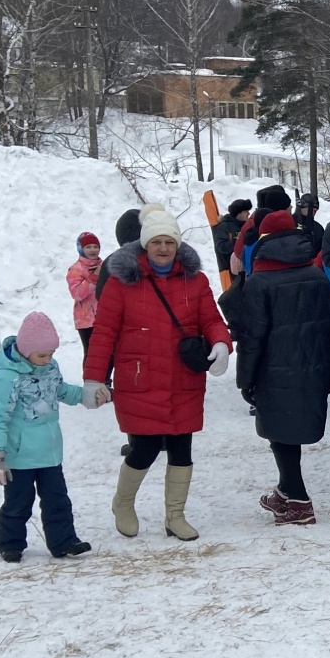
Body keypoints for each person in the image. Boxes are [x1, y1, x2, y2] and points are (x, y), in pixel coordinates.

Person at [84, 205, 231, 542]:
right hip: (140, 378)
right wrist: (94, 378)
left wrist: (221, 343)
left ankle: (175, 516)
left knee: (182, 447)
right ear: (145, 244)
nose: (163, 248)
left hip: (183, 379)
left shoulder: (194, 280)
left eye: (169, 242)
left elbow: (211, 319)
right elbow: (104, 331)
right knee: (144, 448)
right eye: (156, 242)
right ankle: (123, 503)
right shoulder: (123, 282)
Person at [236, 210, 330, 524]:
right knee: (287, 432)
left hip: (274, 369)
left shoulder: (259, 282)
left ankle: (298, 500)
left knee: (280, 434)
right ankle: (285, 492)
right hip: (312, 365)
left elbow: (251, 338)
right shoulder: (316, 275)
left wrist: (246, 379)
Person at [0, 312, 103, 563]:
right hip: (19, 457)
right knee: (18, 503)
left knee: (58, 500)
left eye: (51, 354)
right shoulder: (8, 378)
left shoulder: (49, 367)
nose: (47, 360)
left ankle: (64, 541)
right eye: (42, 355)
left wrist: (86, 396)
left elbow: (61, 390)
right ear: (26, 351)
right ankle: (10, 543)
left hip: (49, 452)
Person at [66, 233, 102, 363]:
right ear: (81, 249)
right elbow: (77, 294)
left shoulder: (104, 265)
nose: (93, 250)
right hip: (85, 318)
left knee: (108, 350)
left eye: (95, 246)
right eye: (88, 247)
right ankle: (90, 381)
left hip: (104, 315)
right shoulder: (76, 269)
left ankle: (105, 380)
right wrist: (92, 279)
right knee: (91, 351)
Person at [213, 199, 252, 280]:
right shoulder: (223, 226)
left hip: (246, 270)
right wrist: (239, 240)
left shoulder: (248, 225)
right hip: (230, 272)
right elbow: (221, 247)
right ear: (238, 213)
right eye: (246, 211)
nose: (248, 213)